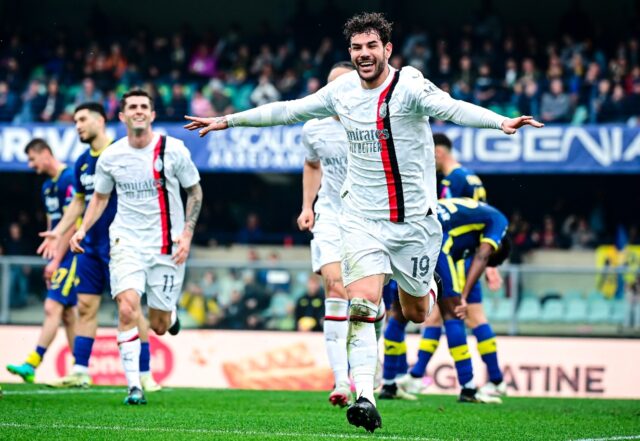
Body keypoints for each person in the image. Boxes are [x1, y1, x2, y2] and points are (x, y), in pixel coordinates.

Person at [184, 12, 542, 433]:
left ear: (387, 50)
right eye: (356, 48)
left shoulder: (409, 85)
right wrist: (227, 120)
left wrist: (500, 121)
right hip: (362, 220)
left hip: (414, 228)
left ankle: (420, 288)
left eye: (371, 46)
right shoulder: (341, 93)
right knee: (362, 303)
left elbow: (452, 108)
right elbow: (287, 110)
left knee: (414, 311)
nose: (363, 54)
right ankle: (365, 397)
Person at [70, 90, 202, 405]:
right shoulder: (112, 157)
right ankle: (134, 387)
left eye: (144, 106)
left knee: (157, 325)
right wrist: (82, 230)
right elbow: (99, 198)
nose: (139, 111)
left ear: (152, 115)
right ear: (122, 116)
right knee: (127, 307)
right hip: (126, 241)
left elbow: (194, 192)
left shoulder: (174, 150)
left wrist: (187, 233)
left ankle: (169, 318)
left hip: (166, 246)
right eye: (132, 107)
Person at [38, 103, 161, 392]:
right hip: (91, 247)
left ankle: (144, 374)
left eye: (82, 120)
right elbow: (79, 203)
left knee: (131, 308)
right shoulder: (81, 161)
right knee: (85, 306)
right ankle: (80, 371)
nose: (78, 125)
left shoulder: (121, 154)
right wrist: (58, 233)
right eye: (76, 120)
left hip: (122, 244)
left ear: (100, 121)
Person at [296, 61, 385, 408]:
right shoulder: (314, 129)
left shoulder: (373, 122)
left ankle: (369, 368)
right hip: (331, 215)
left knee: (368, 301)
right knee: (334, 286)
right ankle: (340, 380)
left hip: (370, 219)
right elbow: (312, 164)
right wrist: (307, 206)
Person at [402, 198, 511, 403]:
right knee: (454, 313)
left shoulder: (471, 223)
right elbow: (482, 256)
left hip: (410, 228)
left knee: (402, 313)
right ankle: (469, 388)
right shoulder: (499, 221)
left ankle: (401, 378)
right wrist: (463, 295)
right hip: (436, 237)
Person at [6, 139, 78, 383]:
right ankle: (80, 369)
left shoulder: (69, 178)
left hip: (74, 253)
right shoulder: (47, 186)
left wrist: (56, 260)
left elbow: (71, 224)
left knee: (52, 307)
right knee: (68, 314)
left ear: (45, 154)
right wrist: (50, 248)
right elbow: (53, 224)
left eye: (32, 158)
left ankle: (32, 363)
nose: (30, 164)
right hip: (59, 253)